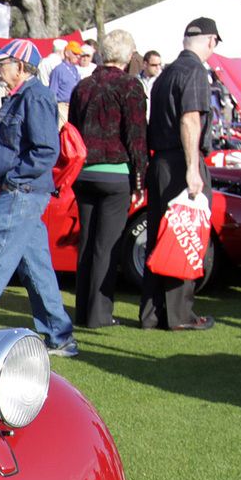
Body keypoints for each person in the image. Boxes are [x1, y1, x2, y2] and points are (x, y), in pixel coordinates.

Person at [0, 38, 76, 358]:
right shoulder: (28, 94)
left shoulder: (34, 96)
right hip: (25, 192)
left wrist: (16, 180)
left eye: (2, 64)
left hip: (22, 193)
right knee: (36, 266)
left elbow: (46, 151)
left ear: (21, 67)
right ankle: (59, 335)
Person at [140, 17, 221, 331]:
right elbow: (190, 120)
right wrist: (192, 168)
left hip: (159, 162)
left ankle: (151, 313)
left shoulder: (165, 74)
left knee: (158, 237)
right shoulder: (196, 71)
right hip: (181, 161)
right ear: (212, 42)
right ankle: (181, 315)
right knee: (186, 235)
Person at [68, 29, 148, 329]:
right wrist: (141, 181)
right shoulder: (130, 87)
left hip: (85, 172)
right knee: (107, 245)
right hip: (116, 173)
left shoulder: (83, 86)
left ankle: (83, 311)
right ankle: (99, 314)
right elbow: (136, 136)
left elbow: (73, 134)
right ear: (128, 56)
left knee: (88, 242)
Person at [50, 41, 84, 126]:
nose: (78, 56)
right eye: (75, 54)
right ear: (67, 53)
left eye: (79, 54)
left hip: (74, 106)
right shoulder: (58, 70)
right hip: (62, 107)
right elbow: (52, 93)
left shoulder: (75, 69)